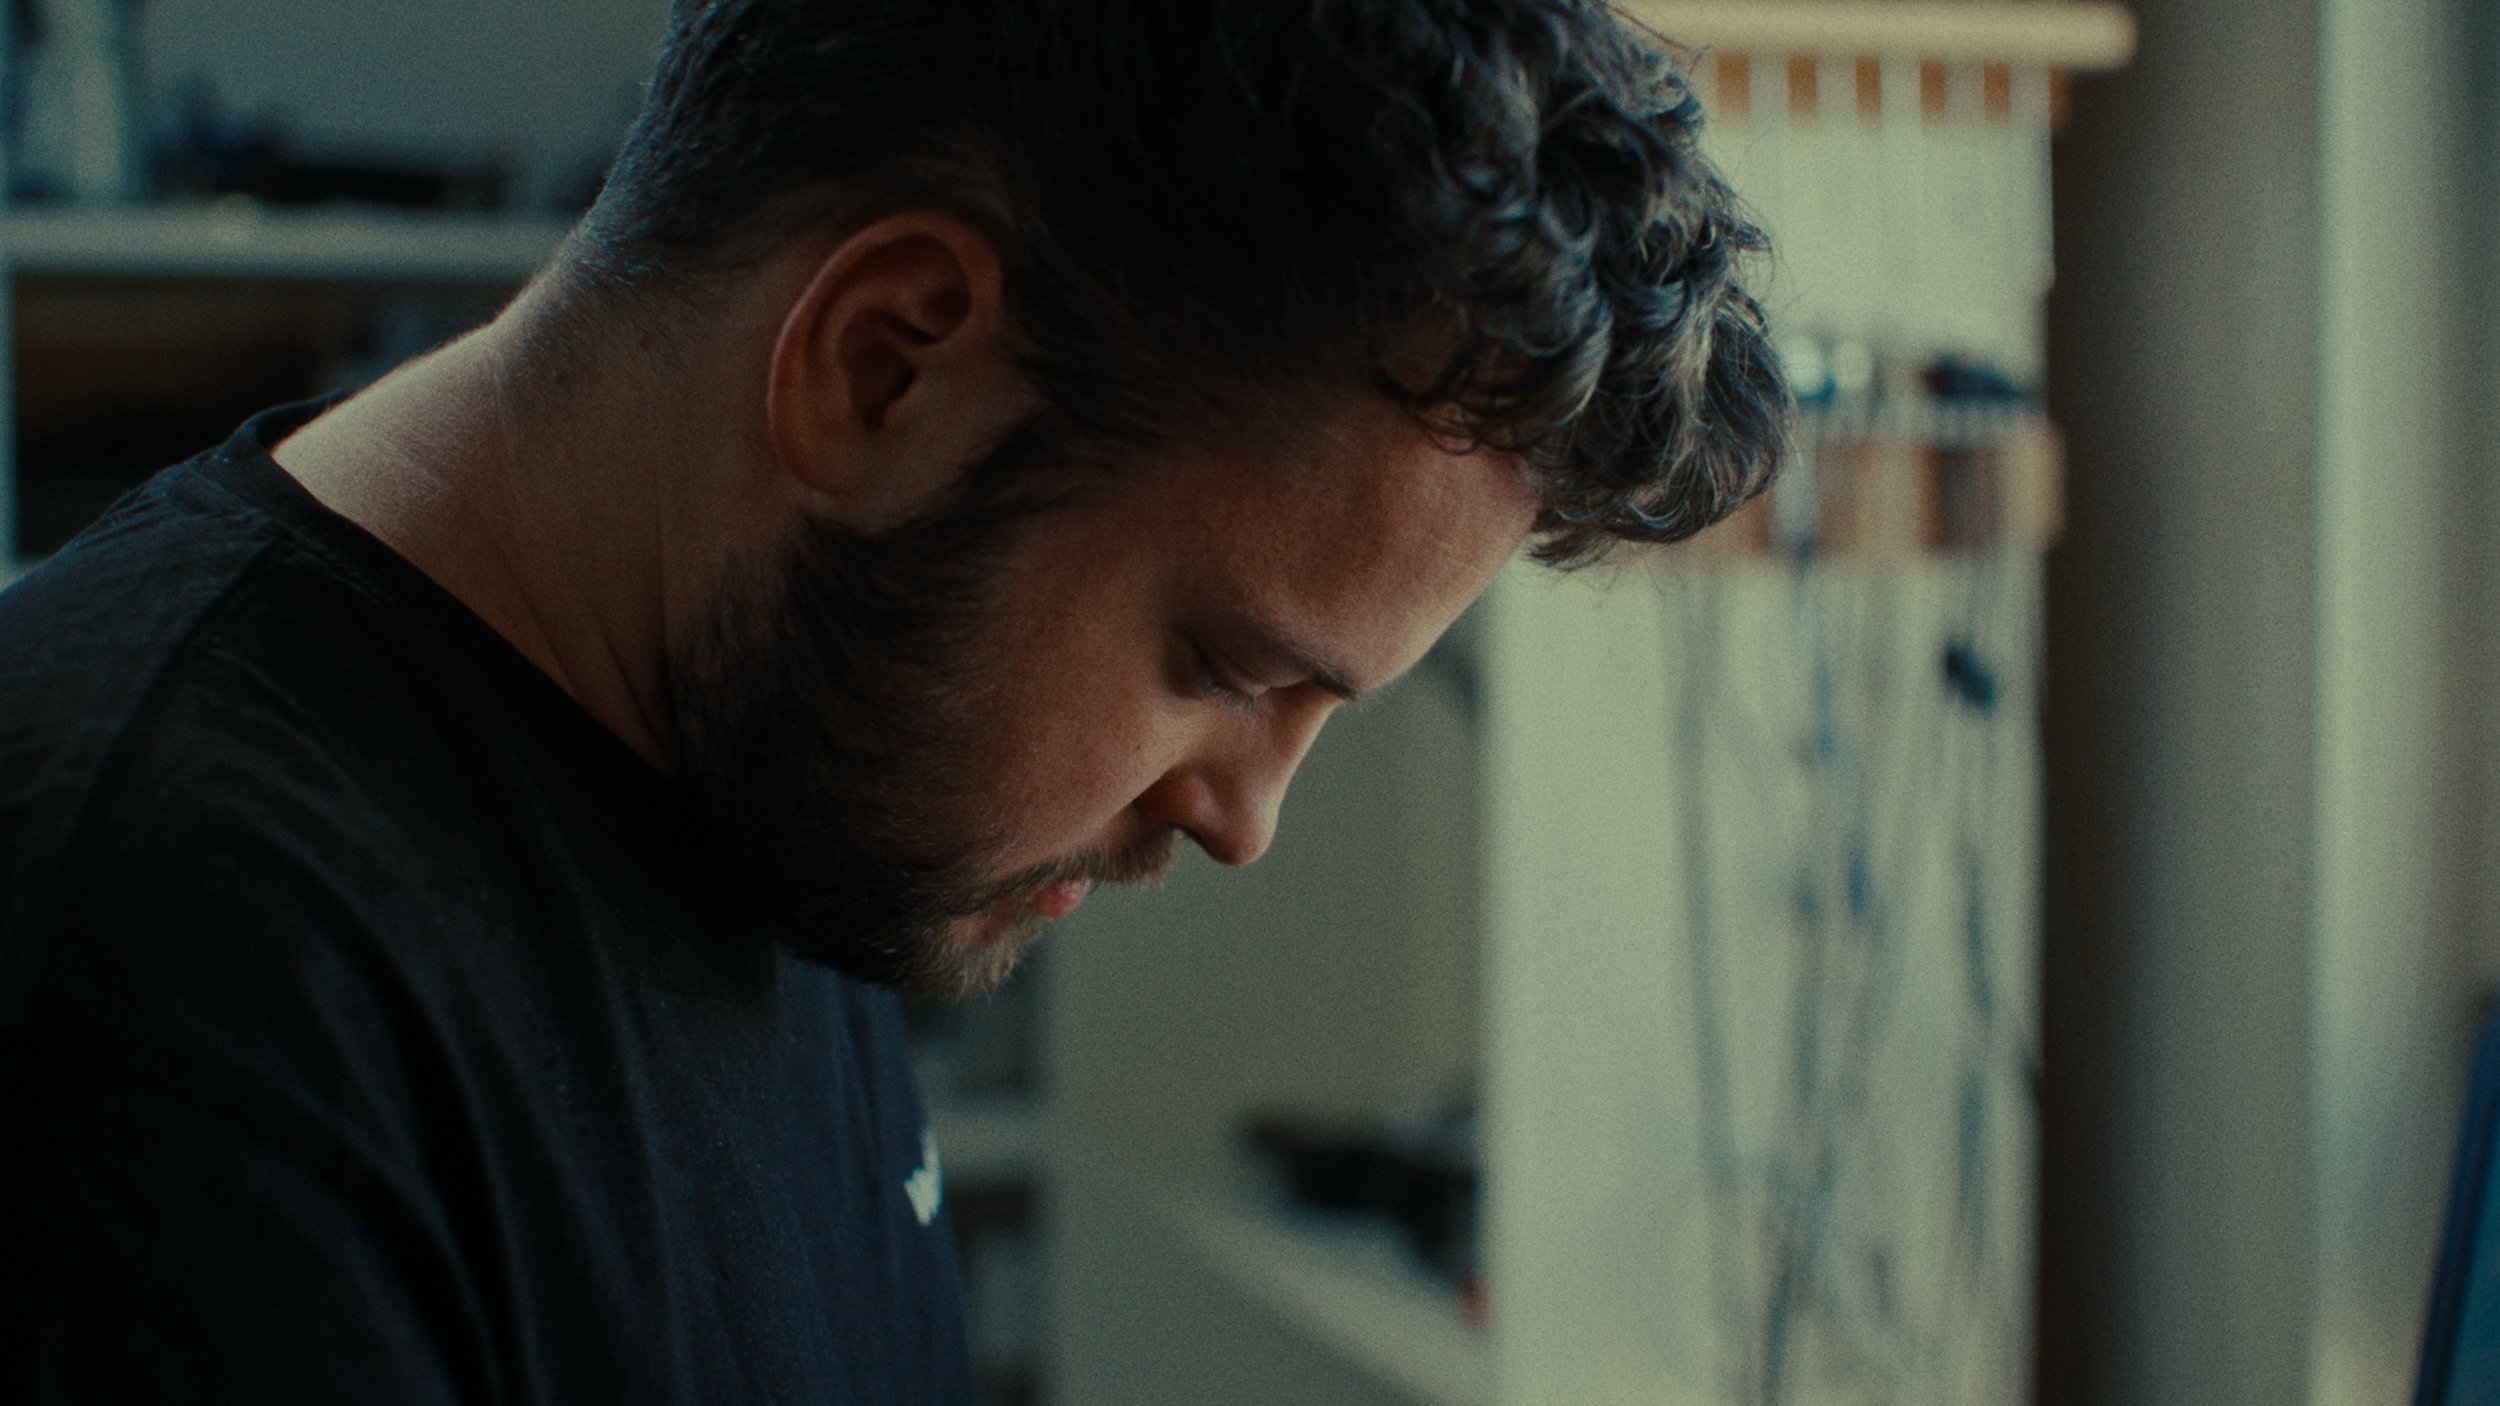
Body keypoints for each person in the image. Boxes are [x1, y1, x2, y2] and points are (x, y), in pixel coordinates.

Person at [0, 0, 1785, 1400]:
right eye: (1227, 669)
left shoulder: (787, 751)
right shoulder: (151, 998)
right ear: (887, 365)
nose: (1241, 820)